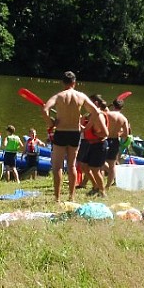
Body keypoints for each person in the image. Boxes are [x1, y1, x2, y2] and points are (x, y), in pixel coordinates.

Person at [43, 71, 102, 202]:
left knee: (57, 166)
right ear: (74, 83)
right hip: (75, 132)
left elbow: (44, 110)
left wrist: (51, 123)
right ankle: (71, 196)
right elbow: (96, 112)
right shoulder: (80, 96)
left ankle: (57, 198)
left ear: (63, 82)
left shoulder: (59, 96)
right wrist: (86, 128)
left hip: (61, 131)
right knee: (72, 166)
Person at [79, 94, 110, 196]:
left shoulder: (99, 115)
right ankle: (95, 186)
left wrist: (95, 134)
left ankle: (102, 192)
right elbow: (84, 129)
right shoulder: (91, 115)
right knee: (84, 165)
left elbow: (105, 133)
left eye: (88, 103)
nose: (85, 106)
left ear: (95, 103)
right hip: (91, 144)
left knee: (95, 169)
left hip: (99, 144)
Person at [105, 97, 131, 189]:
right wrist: (118, 134)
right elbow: (126, 134)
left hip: (105, 139)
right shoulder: (123, 118)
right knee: (112, 165)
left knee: (100, 162)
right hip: (115, 140)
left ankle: (97, 184)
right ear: (122, 108)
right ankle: (107, 186)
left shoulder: (107, 115)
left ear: (113, 106)